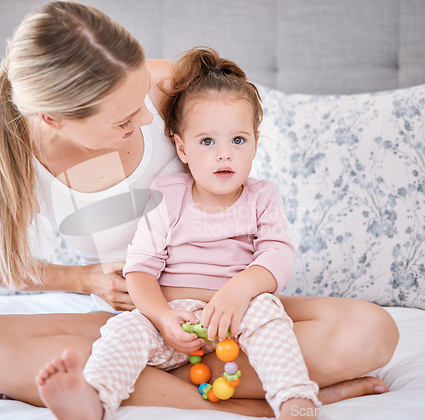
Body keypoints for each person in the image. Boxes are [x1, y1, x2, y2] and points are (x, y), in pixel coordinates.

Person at [0, 1, 399, 418]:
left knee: (373, 330)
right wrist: (85, 278)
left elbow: (231, 124)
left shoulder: (163, 87)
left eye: (140, 98)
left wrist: (242, 290)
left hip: (240, 307)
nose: (149, 120)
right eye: (124, 121)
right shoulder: (11, 168)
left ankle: (140, 389)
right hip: (142, 317)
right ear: (55, 119)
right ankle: (241, 405)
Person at [36, 46, 322, 420]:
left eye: (238, 140)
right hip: (175, 319)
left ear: (255, 143)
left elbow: (278, 254)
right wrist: (161, 319)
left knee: (270, 315)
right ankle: (94, 398)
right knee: (124, 331)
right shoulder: (167, 195)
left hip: (238, 312)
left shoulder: (261, 196)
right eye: (207, 141)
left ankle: (293, 400)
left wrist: (239, 291)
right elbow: (139, 269)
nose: (224, 154)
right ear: (182, 148)